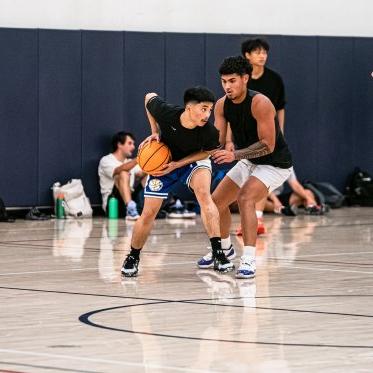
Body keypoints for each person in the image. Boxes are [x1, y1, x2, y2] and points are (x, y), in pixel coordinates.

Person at [121, 86, 235, 277]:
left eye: (210, 109)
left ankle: (218, 253)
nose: (207, 114)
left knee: (205, 195)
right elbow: (149, 96)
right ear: (189, 108)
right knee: (148, 213)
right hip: (164, 163)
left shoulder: (209, 132)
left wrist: (179, 164)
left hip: (193, 161)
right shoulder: (167, 113)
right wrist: (154, 131)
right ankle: (133, 256)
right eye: (203, 109)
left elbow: (208, 151)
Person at [198, 56, 293, 279]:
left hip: (275, 163)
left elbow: (268, 145)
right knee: (215, 203)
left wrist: (234, 155)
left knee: (245, 198)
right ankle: (224, 249)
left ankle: (249, 258)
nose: (227, 86)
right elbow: (216, 141)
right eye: (223, 82)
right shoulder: (221, 104)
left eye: (232, 81)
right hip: (249, 160)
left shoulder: (261, 103)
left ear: (245, 79)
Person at [231, 38, 287, 236]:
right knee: (247, 179)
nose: (262, 55)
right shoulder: (240, 80)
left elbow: (280, 108)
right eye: (257, 52)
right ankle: (251, 217)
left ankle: (258, 216)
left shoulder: (274, 79)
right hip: (245, 136)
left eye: (264, 52)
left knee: (263, 175)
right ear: (247, 55)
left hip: (267, 135)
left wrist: (280, 132)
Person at [98, 132, 145, 220]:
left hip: (132, 198)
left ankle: (164, 206)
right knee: (123, 173)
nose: (133, 147)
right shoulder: (106, 160)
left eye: (133, 144)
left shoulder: (130, 161)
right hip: (113, 202)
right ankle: (130, 209)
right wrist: (139, 159)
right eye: (130, 143)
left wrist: (153, 163)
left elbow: (141, 173)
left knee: (149, 176)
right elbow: (118, 170)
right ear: (119, 144)